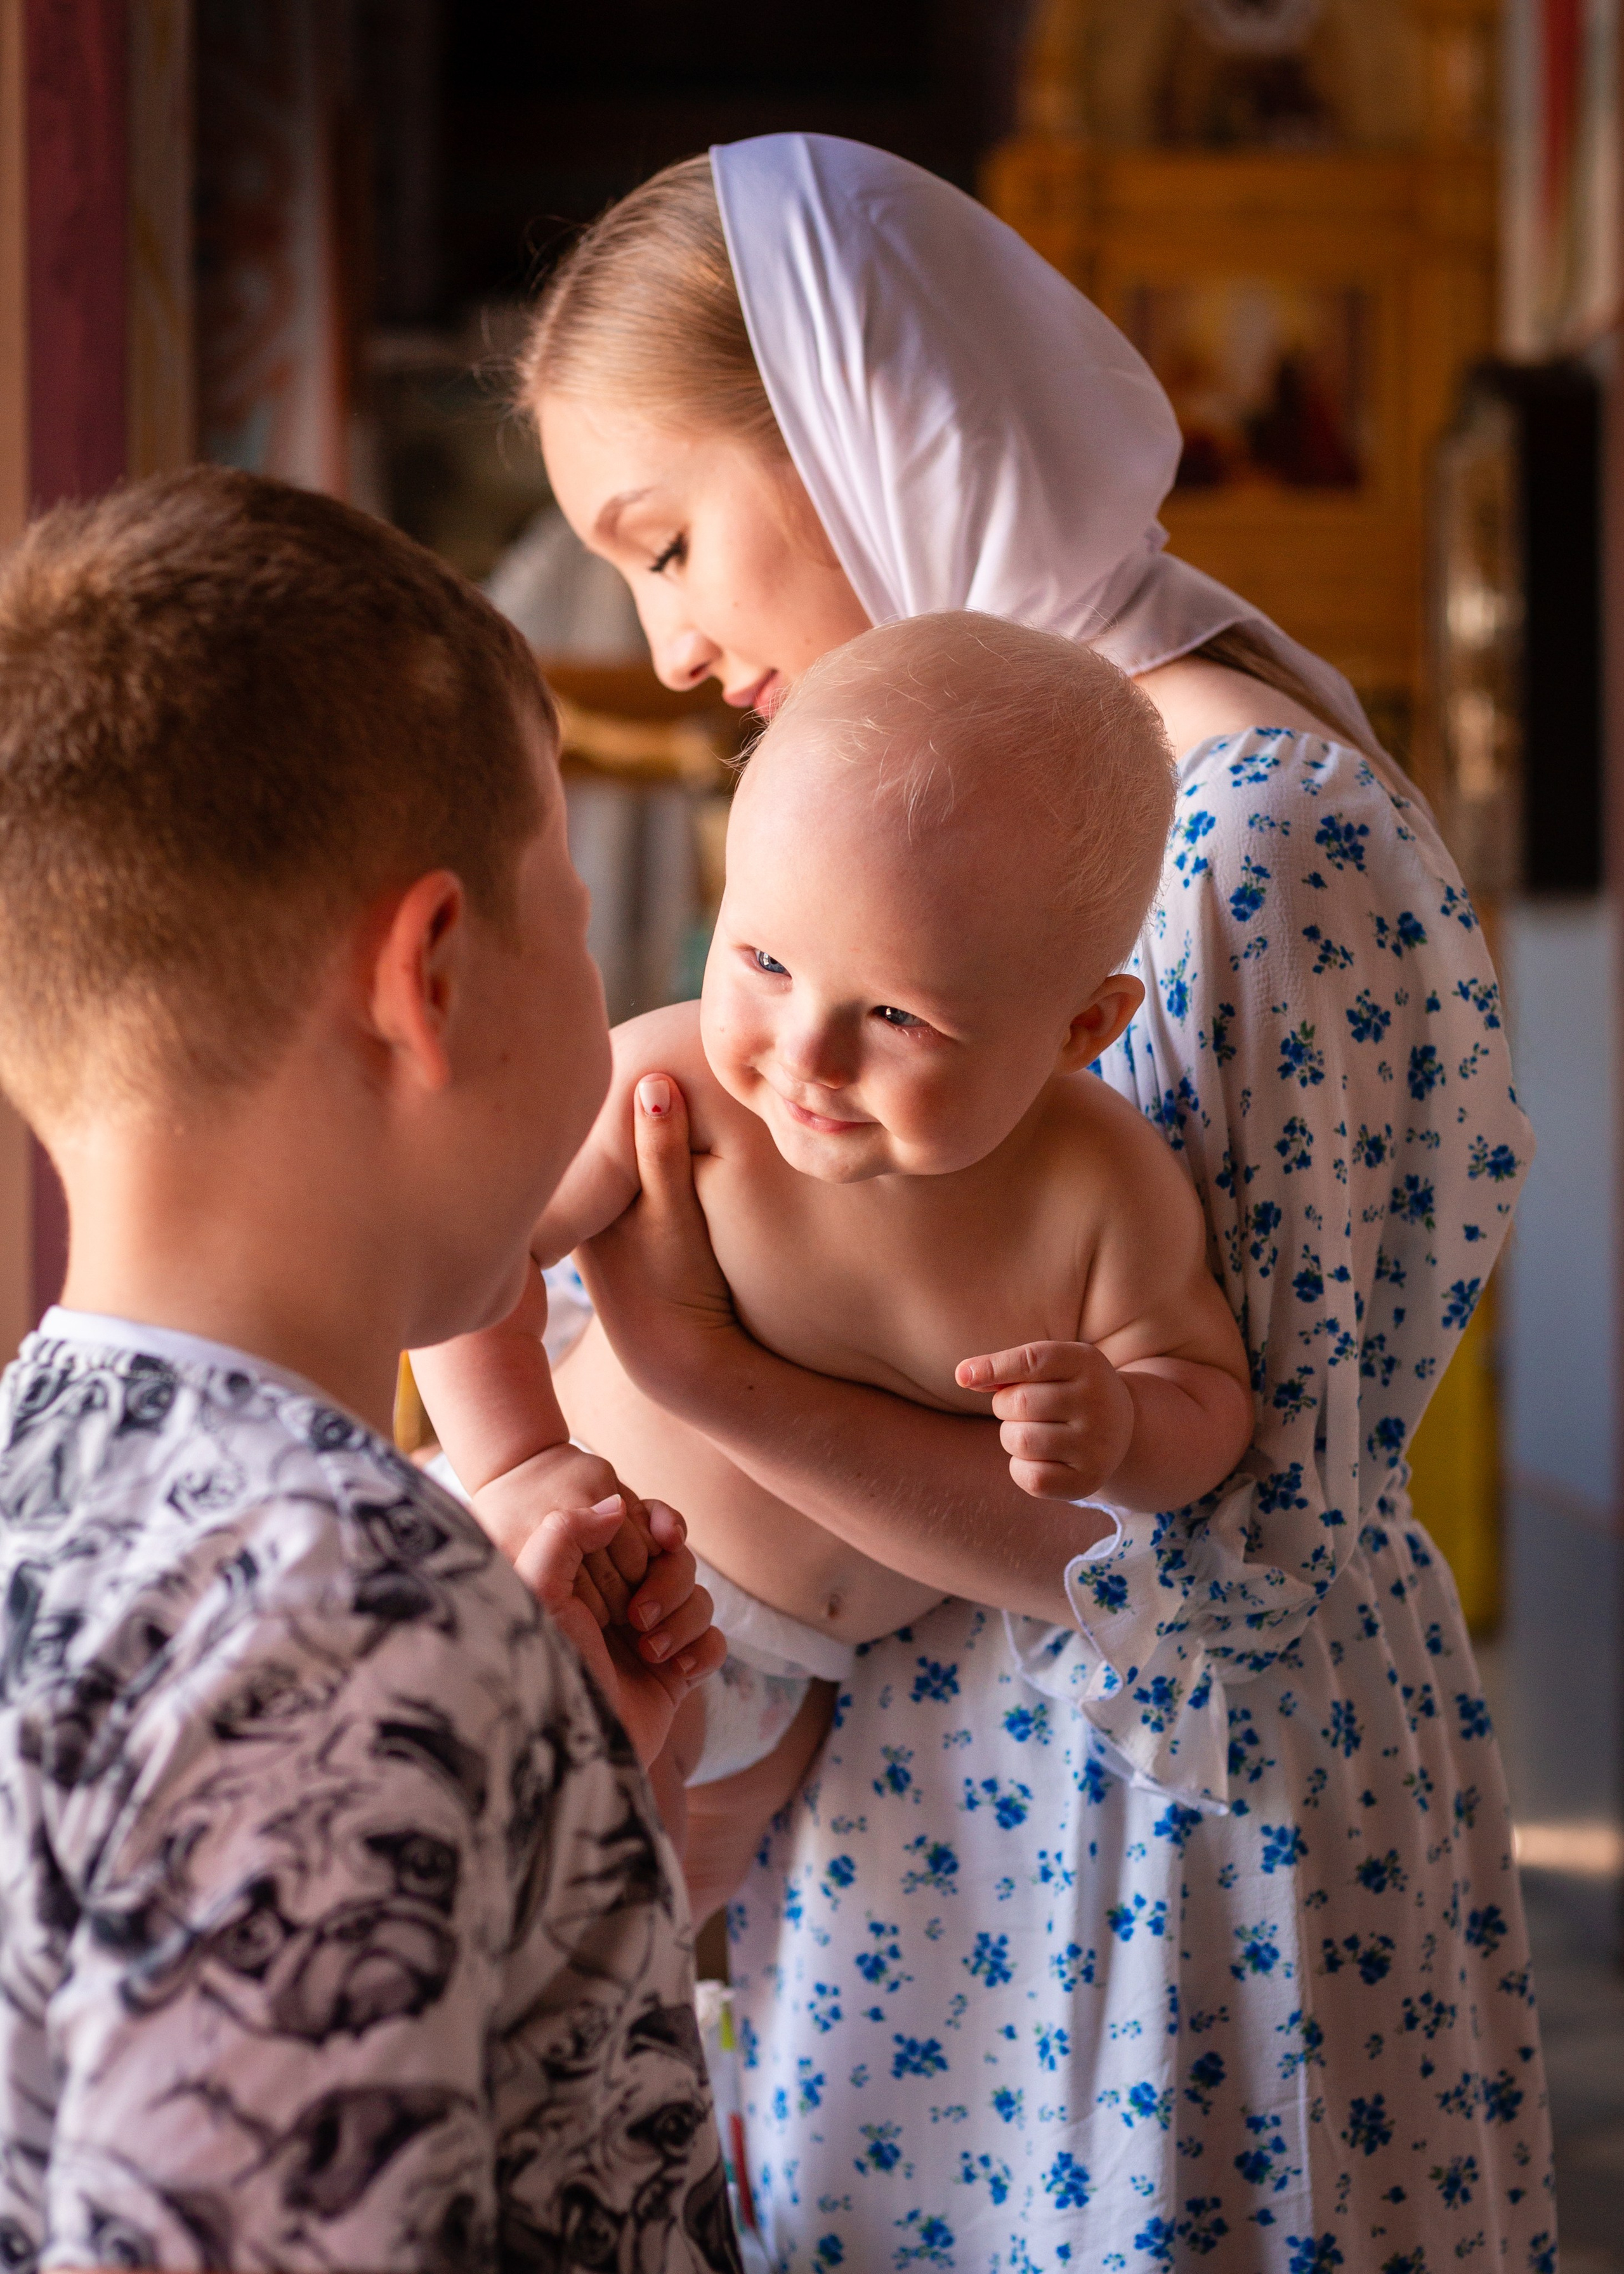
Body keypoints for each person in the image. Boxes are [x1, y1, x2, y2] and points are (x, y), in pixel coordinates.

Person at [499, 133, 1556, 2272]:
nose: (675, 644)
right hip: (922, 1838)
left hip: (1140, 1868)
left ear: (865, 418)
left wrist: (697, 1370)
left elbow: (1239, 1566)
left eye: (673, 540)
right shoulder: (908, 827)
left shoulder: (1243, 839)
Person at [0, 468, 739, 2274]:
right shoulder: (343, 1623)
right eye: (570, 905)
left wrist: (558, 1800)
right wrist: (428, 1701)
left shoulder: (41, 1467)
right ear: (436, 968)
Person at [414, 612, 1254, 1793]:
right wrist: (514, 1467)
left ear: (1081, 1029)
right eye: (762, 961)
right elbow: (459, 1260)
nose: (805, 1052)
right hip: (548, 1556)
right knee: (474, 1845)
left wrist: (1124, 1427)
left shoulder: (1099, 1196)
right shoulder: (676, 1087)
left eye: (899, 1017)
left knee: (648, 1931)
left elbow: (1208, 1406)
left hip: (782, 1679)